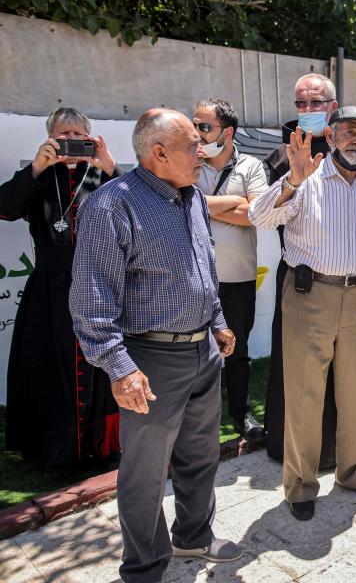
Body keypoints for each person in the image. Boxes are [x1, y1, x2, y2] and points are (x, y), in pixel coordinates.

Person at [70, 109, 243, 582]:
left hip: (203, 351)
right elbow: (91, 298)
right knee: (146, 472)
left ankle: (192, 537)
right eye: (193, 145)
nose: (203, 154)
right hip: (149, 359)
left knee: (200, 454)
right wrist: (120, 367)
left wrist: (219, 322)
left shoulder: (190, 197)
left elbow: (202, 269)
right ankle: (144, 568)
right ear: (159, 152)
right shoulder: (112, 205)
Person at [249, 105, 356, 521]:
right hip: (310, 297)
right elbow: (258, 217)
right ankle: (300, 486)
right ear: (330, 137)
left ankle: (352, 471)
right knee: (304, 394)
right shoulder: (305, 179)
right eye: (350, 132)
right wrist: (293, 180)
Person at [1, 107, 121, 467]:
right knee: (50, 366)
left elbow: (141, 205)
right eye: (62, 134)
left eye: (77, 134)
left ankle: (101, 446)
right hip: (50, 290)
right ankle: (55, 449)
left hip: (99, 283)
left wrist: (111, 166)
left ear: (90, 137)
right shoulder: (39, 176)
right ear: (50, 138)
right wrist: (36, 167)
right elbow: (4, 206)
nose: (70, 141)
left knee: (101, 365)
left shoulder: (101, 175)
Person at [193, 98, 268, 442]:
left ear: (228, 132)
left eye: (205, 127)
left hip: (237, 278)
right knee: (193, 352)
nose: (198, 133)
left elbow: (256, 214)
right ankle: (195, 421)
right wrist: (233, 205)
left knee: (237, 351)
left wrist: (199, 205)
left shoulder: (251, 166)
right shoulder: (189, 160)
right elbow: (179, 202)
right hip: (193, 277)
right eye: (195, 125)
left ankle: (240, 415)